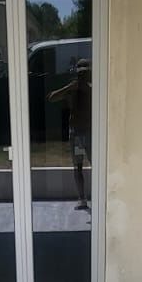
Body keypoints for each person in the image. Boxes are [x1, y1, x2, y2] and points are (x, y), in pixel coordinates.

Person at [48, 57, 92, 210]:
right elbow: (52, 97)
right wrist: (69, 88)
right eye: (80, 73)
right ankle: (82, 199)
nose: (82, 75)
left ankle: (101, 195)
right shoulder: (72, 88)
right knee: (78, 166)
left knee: (97, 165)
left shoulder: (94, 88)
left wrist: (85, 87)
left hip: (91, 133)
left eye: (85, 73)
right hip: (77, 135)